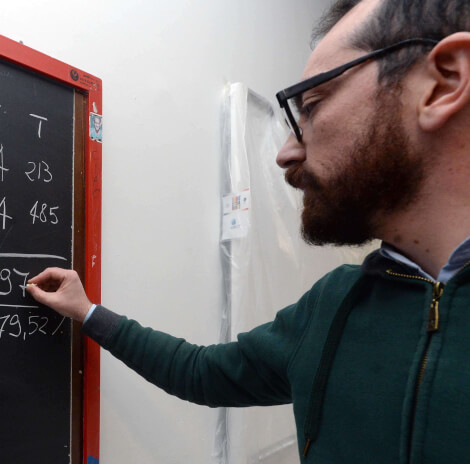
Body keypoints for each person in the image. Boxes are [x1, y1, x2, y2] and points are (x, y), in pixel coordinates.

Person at [26, 0, 470, 462]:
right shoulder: (335, 303)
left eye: (312, 106)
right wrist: (88, 312)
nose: (285, 153)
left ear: (443, 82)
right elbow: (201, 373)